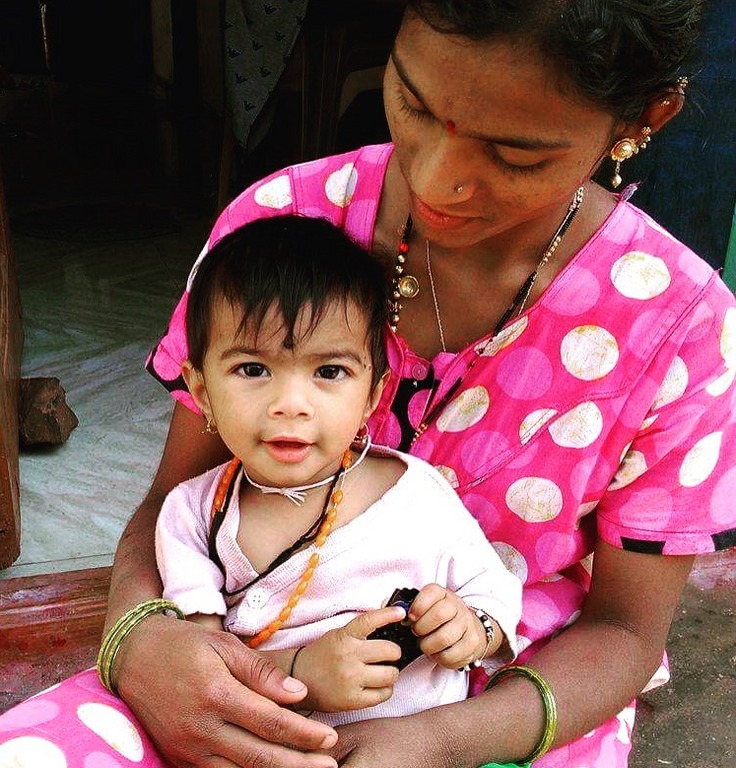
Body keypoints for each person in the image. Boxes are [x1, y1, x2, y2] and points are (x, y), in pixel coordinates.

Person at [1, 1, 734, 767]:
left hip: (503, 700)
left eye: (515, 155)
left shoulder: (679, 329)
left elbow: (625, 632)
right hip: (244, 665)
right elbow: (173, 502)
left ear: (642, 121)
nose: (436, 180)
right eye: (413, 102)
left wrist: (442, 740)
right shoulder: (279, 227)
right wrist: (143, 643)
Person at [153, 214, 521, 727]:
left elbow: (493, 590)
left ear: (373, 394)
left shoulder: (416, 496)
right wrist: (299, 672)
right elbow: (205, 667)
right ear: (200, 391)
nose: (291, 404)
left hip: (421, 747)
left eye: (329, 372)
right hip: (270, 748)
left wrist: (472, 629)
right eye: (253, 369)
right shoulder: (192, 516)